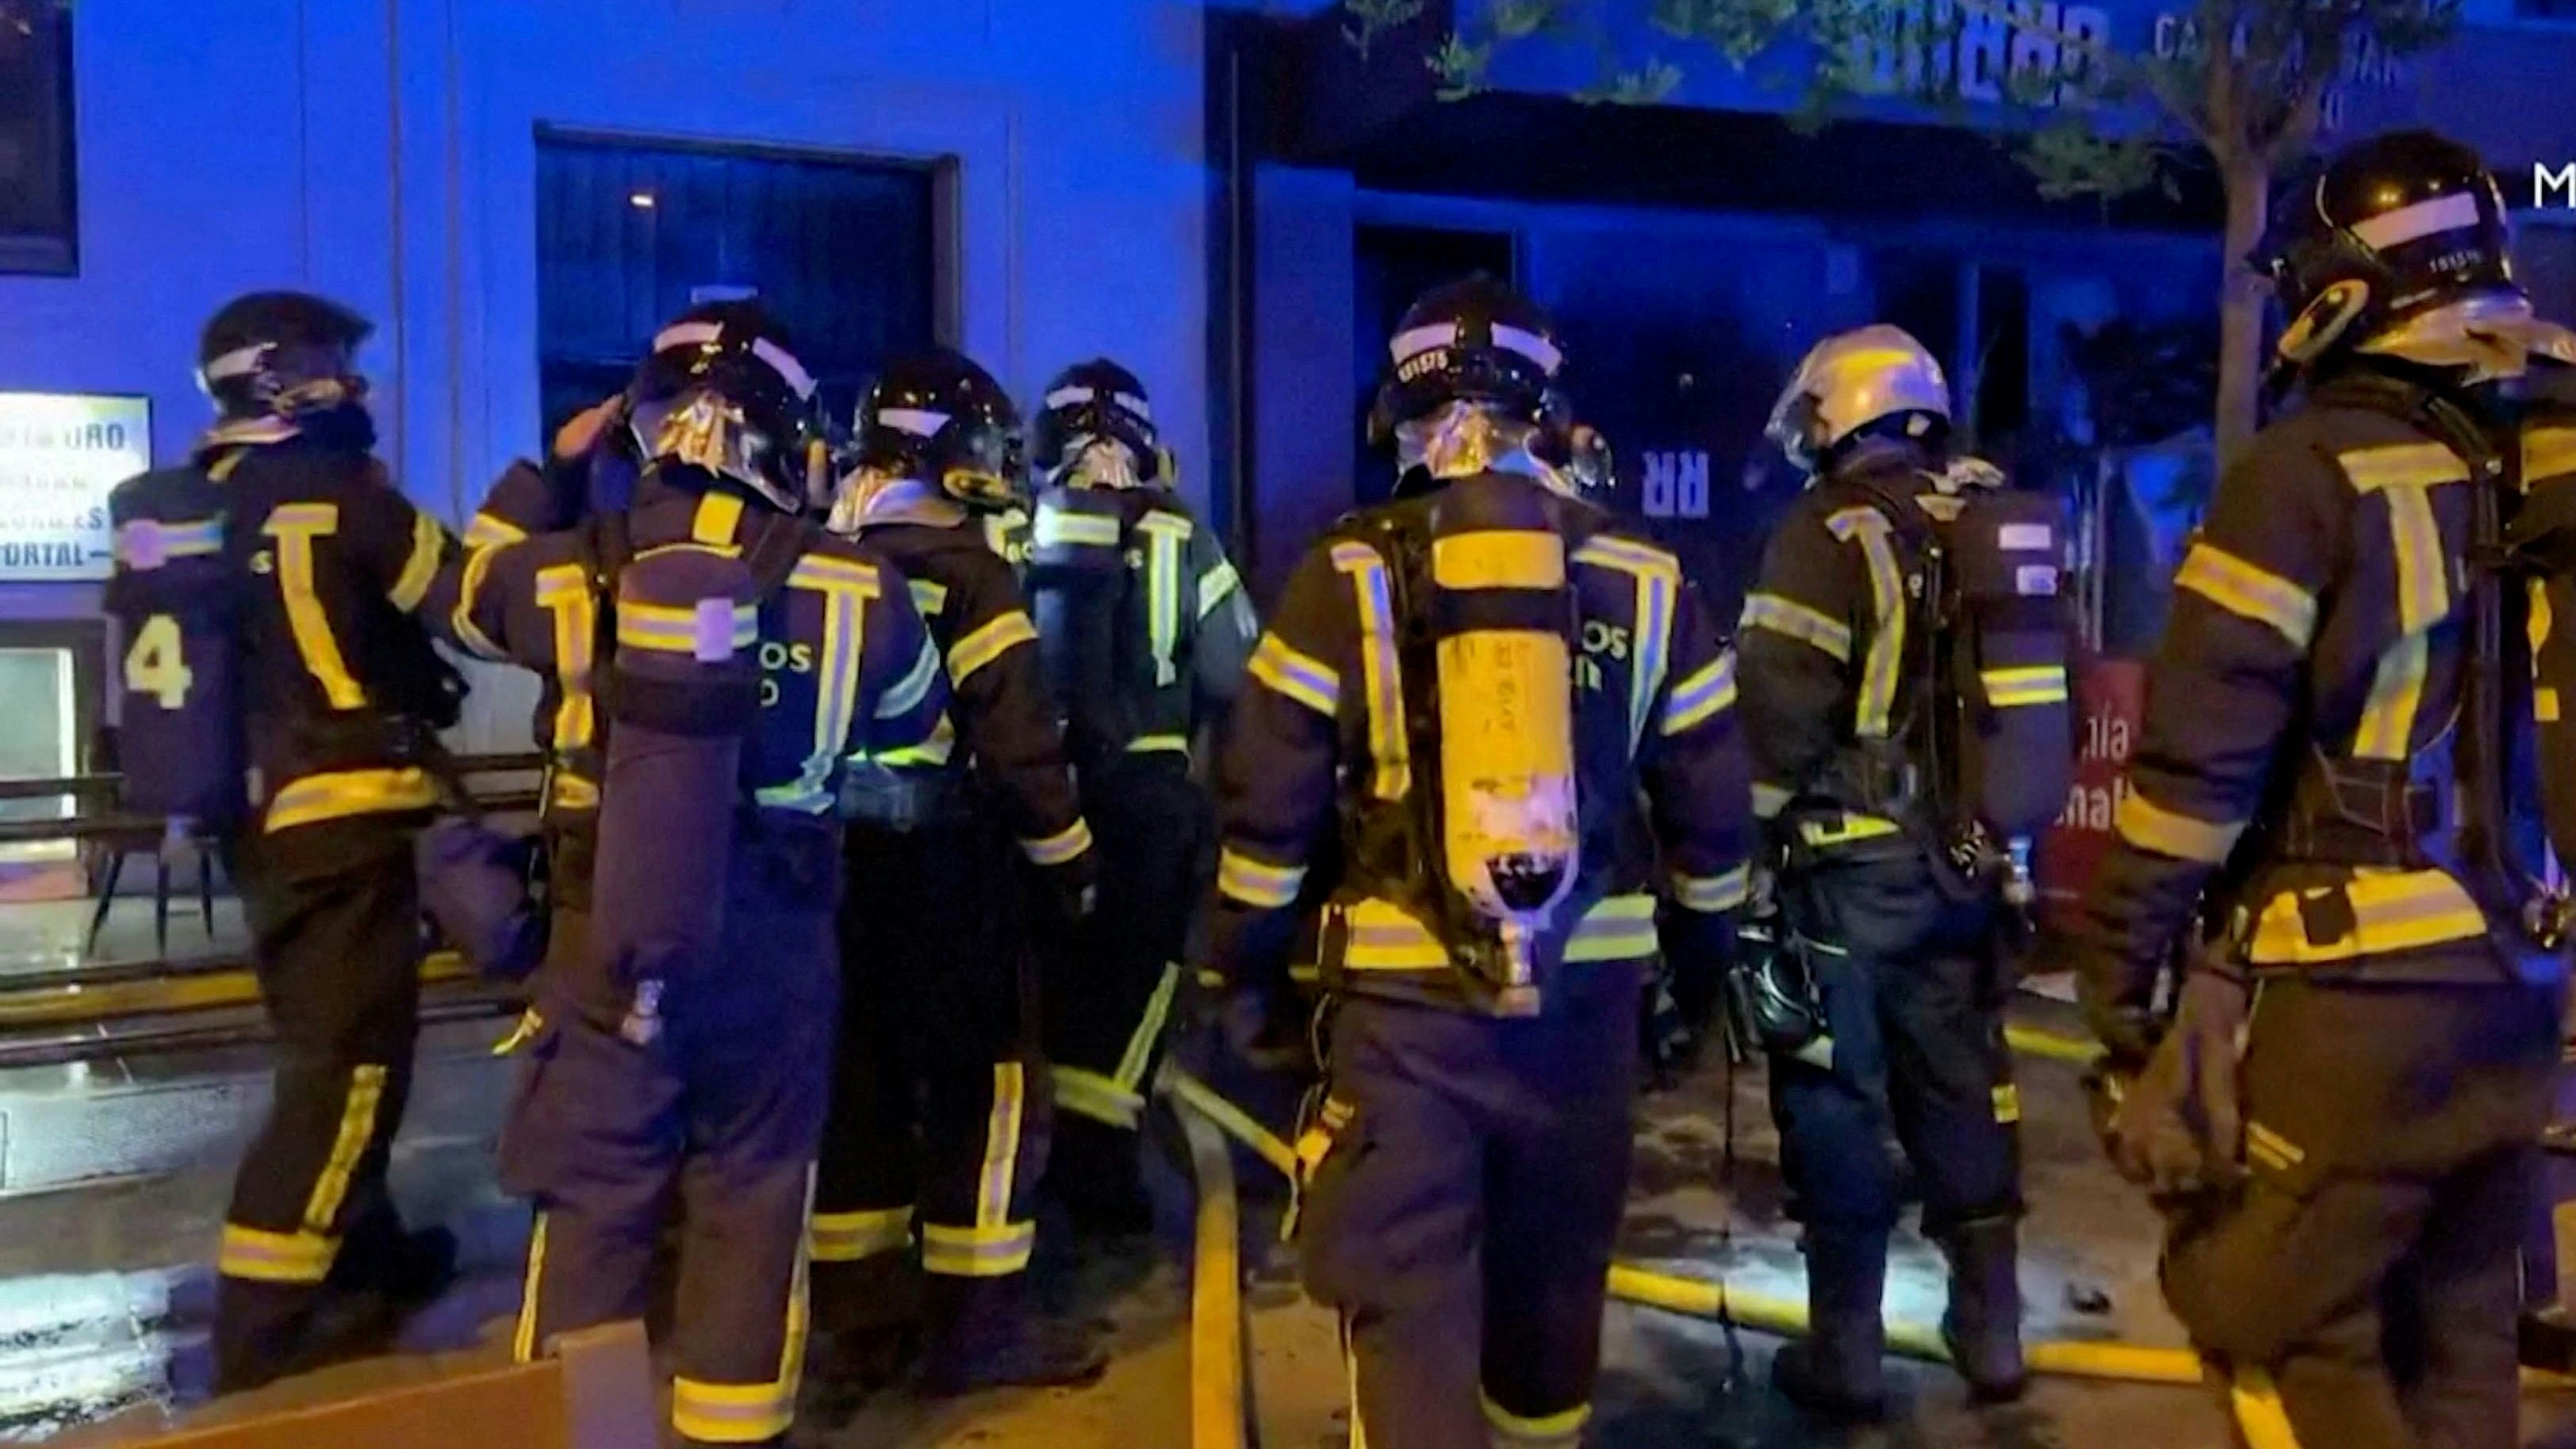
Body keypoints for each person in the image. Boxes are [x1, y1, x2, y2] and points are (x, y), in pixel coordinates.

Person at [2049, 129, 2576, 1448]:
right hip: (2523, 987)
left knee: (2267, 1320)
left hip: (2352, 999)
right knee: (2457, 1337)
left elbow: (2197, 767)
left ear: (2343, 288)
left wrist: (2118, 970)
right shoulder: (2544, 456)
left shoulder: (2305, 472)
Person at [1207, 276, 1751, 1447]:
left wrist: (1243, 980)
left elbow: (1265, 814)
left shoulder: (1344, 572)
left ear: (1398, 416)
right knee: (1553, 1295)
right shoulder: (1648, 577)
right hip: (1586, 1010)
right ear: (1549, 412)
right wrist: (1695, 985)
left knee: (1408, 1300)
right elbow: (1713, 821)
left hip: (1405, 1018)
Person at [434, 302, 948, 1448]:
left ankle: (584, 1433)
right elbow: (920, 750)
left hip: (605, 938)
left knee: (595, 1206)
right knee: (754, 1199)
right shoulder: (862, 589)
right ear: (791, 439)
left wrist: (547, 471)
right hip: (777, 947)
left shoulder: (567, 573)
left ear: (643, 429)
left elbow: (465, 598)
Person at [105, 291, 465, 1390]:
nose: (353, 381)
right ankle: (262, 1326)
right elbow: (470, 598)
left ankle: (364, 1244)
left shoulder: (203, 496)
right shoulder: (337, 489)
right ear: (277, 376)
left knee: (334, 1043)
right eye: (331, 360)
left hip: (258, 823)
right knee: (344, 1070)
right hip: (345, 819)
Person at [1735, 324, 2079, 1417]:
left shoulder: (1826, 531)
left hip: (1843, 879)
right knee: (1962, 1082)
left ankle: (1845, 1354)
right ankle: (1991, 1335)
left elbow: (1775, 715)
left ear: (1840, 411)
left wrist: (1732, 854)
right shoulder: (1986, 522)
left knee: (1831, 1092)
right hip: (1963, 872)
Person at [806, 346, 1104, 1396]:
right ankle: (978, 1328)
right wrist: (1071, 863)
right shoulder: (975, 577)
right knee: (991, 1086)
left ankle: (861, 1320)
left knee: (861, 1084)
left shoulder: (824, 565)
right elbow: (1019, 747)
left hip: (839, 872)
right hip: (955, 875)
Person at [1024, 358, 1255, 1231]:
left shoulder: (1017, 529)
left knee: (1050, 983)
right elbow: (1236, 671)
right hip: (1148, 804)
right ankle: (1100, 1184)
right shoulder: (1182, 534)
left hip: (1037, 803)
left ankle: (1042, 1175)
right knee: (1136, 990)